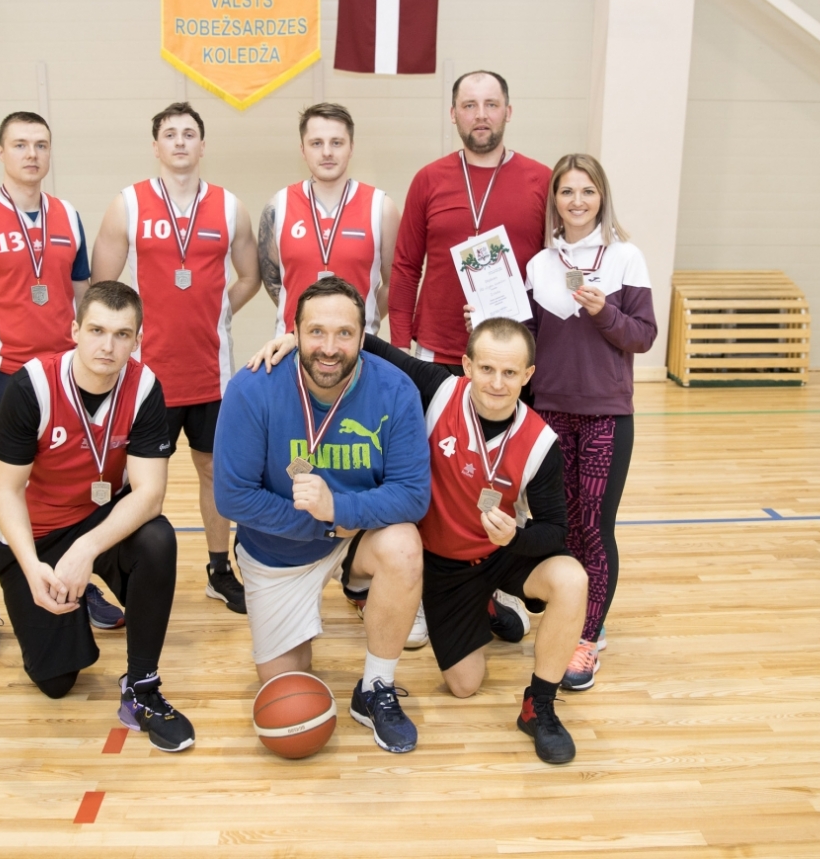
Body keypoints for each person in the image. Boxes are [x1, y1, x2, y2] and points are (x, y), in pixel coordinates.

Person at [249, 317, 589, 765]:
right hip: (443, 567)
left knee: (570, 577)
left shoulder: (542, 442)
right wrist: (300, 338)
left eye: (510, 373)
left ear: (528, 375)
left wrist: (516, 536)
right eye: (486, 368)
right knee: (465, 685)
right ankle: (483, 607)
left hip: (499, 552)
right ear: (466, 364)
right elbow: (368, 345)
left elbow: (556, 531)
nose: (497, 383)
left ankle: (539, 707)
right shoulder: (440, 388)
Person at [213, 277, 432, 754]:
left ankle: (375, 687)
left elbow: (413, 496)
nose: (329, 348)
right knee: (288, 689)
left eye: (344, 333)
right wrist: (325, 522)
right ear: (292, 332)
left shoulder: (395, 389)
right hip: (279, 551)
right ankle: (351, 588)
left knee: (403, 544)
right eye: (315, 332)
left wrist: (342, 511)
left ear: (363, 334)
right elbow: (232, 497)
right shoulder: (252, 389)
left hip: (358, 535)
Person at [0, 110, 122, 662]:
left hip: (65, 379)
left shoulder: (67, 215)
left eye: (41, 145)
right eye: (20, 144)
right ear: (1, 152)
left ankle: (74, 580)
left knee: (64, 492)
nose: (32, 154)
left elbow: (84, 298)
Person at [0, 280, 193, 752]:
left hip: (98, 525)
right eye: (97, 329)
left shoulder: (143, 386)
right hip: (34, 535)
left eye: (123, 334)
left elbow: (150, 494)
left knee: (158, 539)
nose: (108, 345)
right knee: (58, 682)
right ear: (74, 329)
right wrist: (29, 564)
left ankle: (142, 686)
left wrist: (86, 548)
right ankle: (62, 600)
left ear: (138, 339)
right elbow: (6, 492)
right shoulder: (31, 386)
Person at [90, 102, 261, 614]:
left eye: (190, 134)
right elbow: (104, 286)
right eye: (171, 134)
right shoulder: (129, 204)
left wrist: (217, 311)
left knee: (215, 475)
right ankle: (132, 571)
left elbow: (250, 275)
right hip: (147, 378)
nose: (181, 142)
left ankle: (217, 570)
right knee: (141, 480)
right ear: (156, 145)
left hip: (214, 374)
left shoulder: (230, 206)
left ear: (203, 145)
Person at [523, 154, 656, 691]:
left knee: (594, 530)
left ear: (602, 197)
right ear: (554, 199)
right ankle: (565, 617)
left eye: (587, 191)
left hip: (604, 414)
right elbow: (530, 339)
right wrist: (489, 318)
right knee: (561, 528)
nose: (576, 201)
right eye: (566, 191)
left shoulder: (625, 258)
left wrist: (604, 311)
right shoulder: (539, 264)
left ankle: (587, 636)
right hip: (549, 414)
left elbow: (642, 336)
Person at [388, 71, 551, 369]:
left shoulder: (541, 180)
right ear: (453, 114)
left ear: (508, 112)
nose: (481, 115)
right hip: (437, 351)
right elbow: (406, 266)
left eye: (491, 104)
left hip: (513, 352)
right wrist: (399, 343)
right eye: (469, 105)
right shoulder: (428, 179)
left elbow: (554, 269)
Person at [257, 102, 400, 337]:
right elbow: (272, 278)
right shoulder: (278, 206)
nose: (327, 152)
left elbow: (394, 284)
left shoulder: (382, 207)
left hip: (360, 347)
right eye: (316, 143)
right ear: (303, 150)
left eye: (337, 142)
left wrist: (362, 318)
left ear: (351, 147)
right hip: (292, 346)